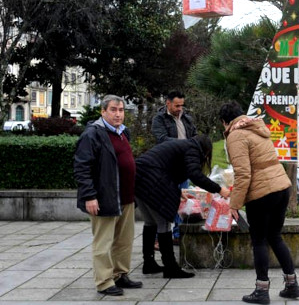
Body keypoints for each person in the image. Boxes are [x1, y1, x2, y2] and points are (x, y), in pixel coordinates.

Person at [220, 101, 299, 304]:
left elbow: (243, 173)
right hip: (282, 186)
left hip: (262, 193)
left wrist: (234, 204)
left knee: (259, 241)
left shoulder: (236, 135)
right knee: (275, 236)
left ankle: (261, 290)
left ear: (225, 121)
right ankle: (292, 285)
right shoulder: (256, 127)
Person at [134, 135, 230, 279]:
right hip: (152, 178)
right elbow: (195, 175)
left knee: (150, 222)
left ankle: (149, 263)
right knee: (164, 223)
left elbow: (166, 168)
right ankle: (170, 267)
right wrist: (219, 189)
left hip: (138, 176)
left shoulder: (183, 146)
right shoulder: (193, 149)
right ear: (205, 149)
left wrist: (178, 192)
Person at [73, 95, 142, 296]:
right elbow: (82, 167)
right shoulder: (92, 134)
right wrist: (89, 196)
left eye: (121, 110)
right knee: (103, 242)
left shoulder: (123, 132)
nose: (118, 114)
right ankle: (104, 281)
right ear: (103, 112)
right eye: (113, 110)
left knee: (124, 240)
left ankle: (120, 274)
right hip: (104, 198)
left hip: (126, 198)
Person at [151, 90, 198, 244]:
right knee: (164, 201)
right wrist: (185, 145)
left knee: (183, 201)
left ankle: (178, 235)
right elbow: (162, 139)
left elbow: (195, 137)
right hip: (166, 166)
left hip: (183, 166)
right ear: (168, 103)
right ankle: (158, 237)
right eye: (176, 105)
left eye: (181, 106)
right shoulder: (159, 119)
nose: (179, 109)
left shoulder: (187, 119)